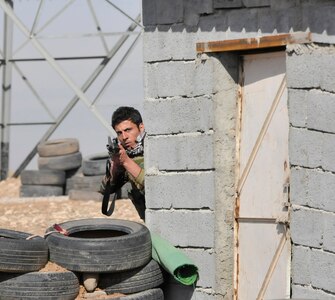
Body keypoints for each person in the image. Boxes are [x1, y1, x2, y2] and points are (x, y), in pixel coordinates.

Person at [99, 106, 146, 220]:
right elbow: (105, 190)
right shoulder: (127, 156)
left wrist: (126, 162)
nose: (124, 137)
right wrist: (116, 168)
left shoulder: (154, 149)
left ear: (141, 127)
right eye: (119, 133)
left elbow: (155, 185)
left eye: (128, 130)